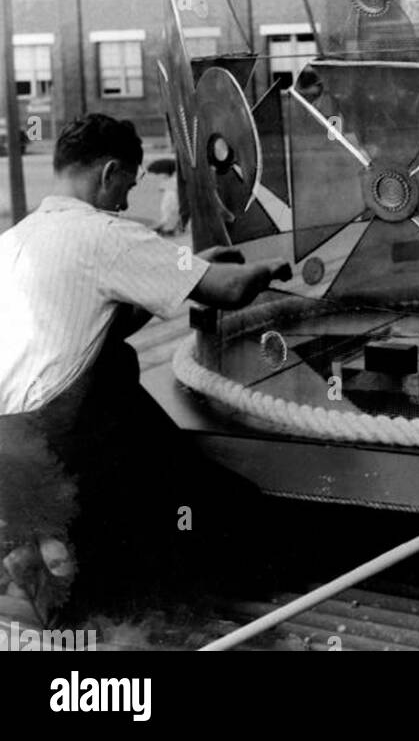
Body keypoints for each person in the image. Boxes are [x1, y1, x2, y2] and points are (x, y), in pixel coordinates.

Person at [0, 113, 292, 619]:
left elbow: (99, 326)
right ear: (109, 172)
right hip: (69, 446)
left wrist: (190, 266)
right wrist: (270, 266)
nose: (125, 202)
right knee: (228, 508)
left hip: (10, 446)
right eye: (128, 187)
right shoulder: (106, 233)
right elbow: (229, 290)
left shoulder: (13, 241)